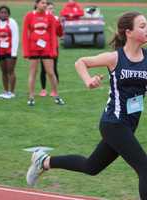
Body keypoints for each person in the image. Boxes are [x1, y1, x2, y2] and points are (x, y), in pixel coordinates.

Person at [26, 11, 147, 199]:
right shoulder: (114, 58)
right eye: (142, 26)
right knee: (144, 168)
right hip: (113, 123)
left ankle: (44, 161)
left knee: (91, 167)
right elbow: (80, 62)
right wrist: (88, 80)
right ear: (128, 32)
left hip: (129, 125)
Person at [22, 0, 65, 106]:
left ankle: (56, 95)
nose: (44, 5)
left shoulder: (49, 17)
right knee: (33, 72)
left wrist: (53, 50)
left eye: (46, 3)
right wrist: (26, 51)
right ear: (36, 4)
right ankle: (31, 97)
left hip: (46, 49)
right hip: (33, 48)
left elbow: (53, 35)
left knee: (50, 72)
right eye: (42, 3)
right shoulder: (29, 16)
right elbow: (25, 34)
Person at [0, 5, 19, 99]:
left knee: (10, 71)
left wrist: (14, 52)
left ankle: (12, 92)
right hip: (1, 51)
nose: (3, 14)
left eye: (5, 12)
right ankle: (5, 91)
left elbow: (16, 37)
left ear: (8, 14)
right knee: (3, 71)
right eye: (1, 12)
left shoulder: (12, 22)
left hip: (10, 50)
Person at [39, 1, 63, 97]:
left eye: (52, 8)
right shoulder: (40, 19)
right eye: (49, 8)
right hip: (43, 47)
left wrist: (59, 24)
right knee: (43, 69)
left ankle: (54, 90)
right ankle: (43, 89)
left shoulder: (56, 19)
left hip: (54, 47)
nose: (51, 10)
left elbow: (60, 34)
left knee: (54, 68)